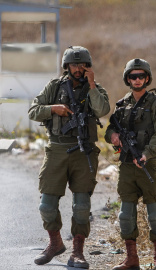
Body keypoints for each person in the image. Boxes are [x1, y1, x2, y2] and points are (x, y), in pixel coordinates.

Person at [28, 46, 110, 269]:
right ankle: (55, 243)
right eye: (74, 65)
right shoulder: (54, 87)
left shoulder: (96, 89)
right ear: (66, 66)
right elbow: (33, 110)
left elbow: (103, 109)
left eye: (83, 65)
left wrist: (92, 85)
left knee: (82, 205)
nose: (78, 69)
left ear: (88, 67)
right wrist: (53, 109)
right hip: (56, 150)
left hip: (84, 151)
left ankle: (77, 252)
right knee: (46, 205)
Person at [105, 58, 156, 270]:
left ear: (147, 78)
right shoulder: (122, 105)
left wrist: (146, 153)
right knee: (125, 214)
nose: (137, 79)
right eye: (133, 76)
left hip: (149, 165)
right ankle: (131, 259)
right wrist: (113, 135)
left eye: (141, 76)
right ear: (128, 79)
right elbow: (108, 130)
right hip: (127, 166)